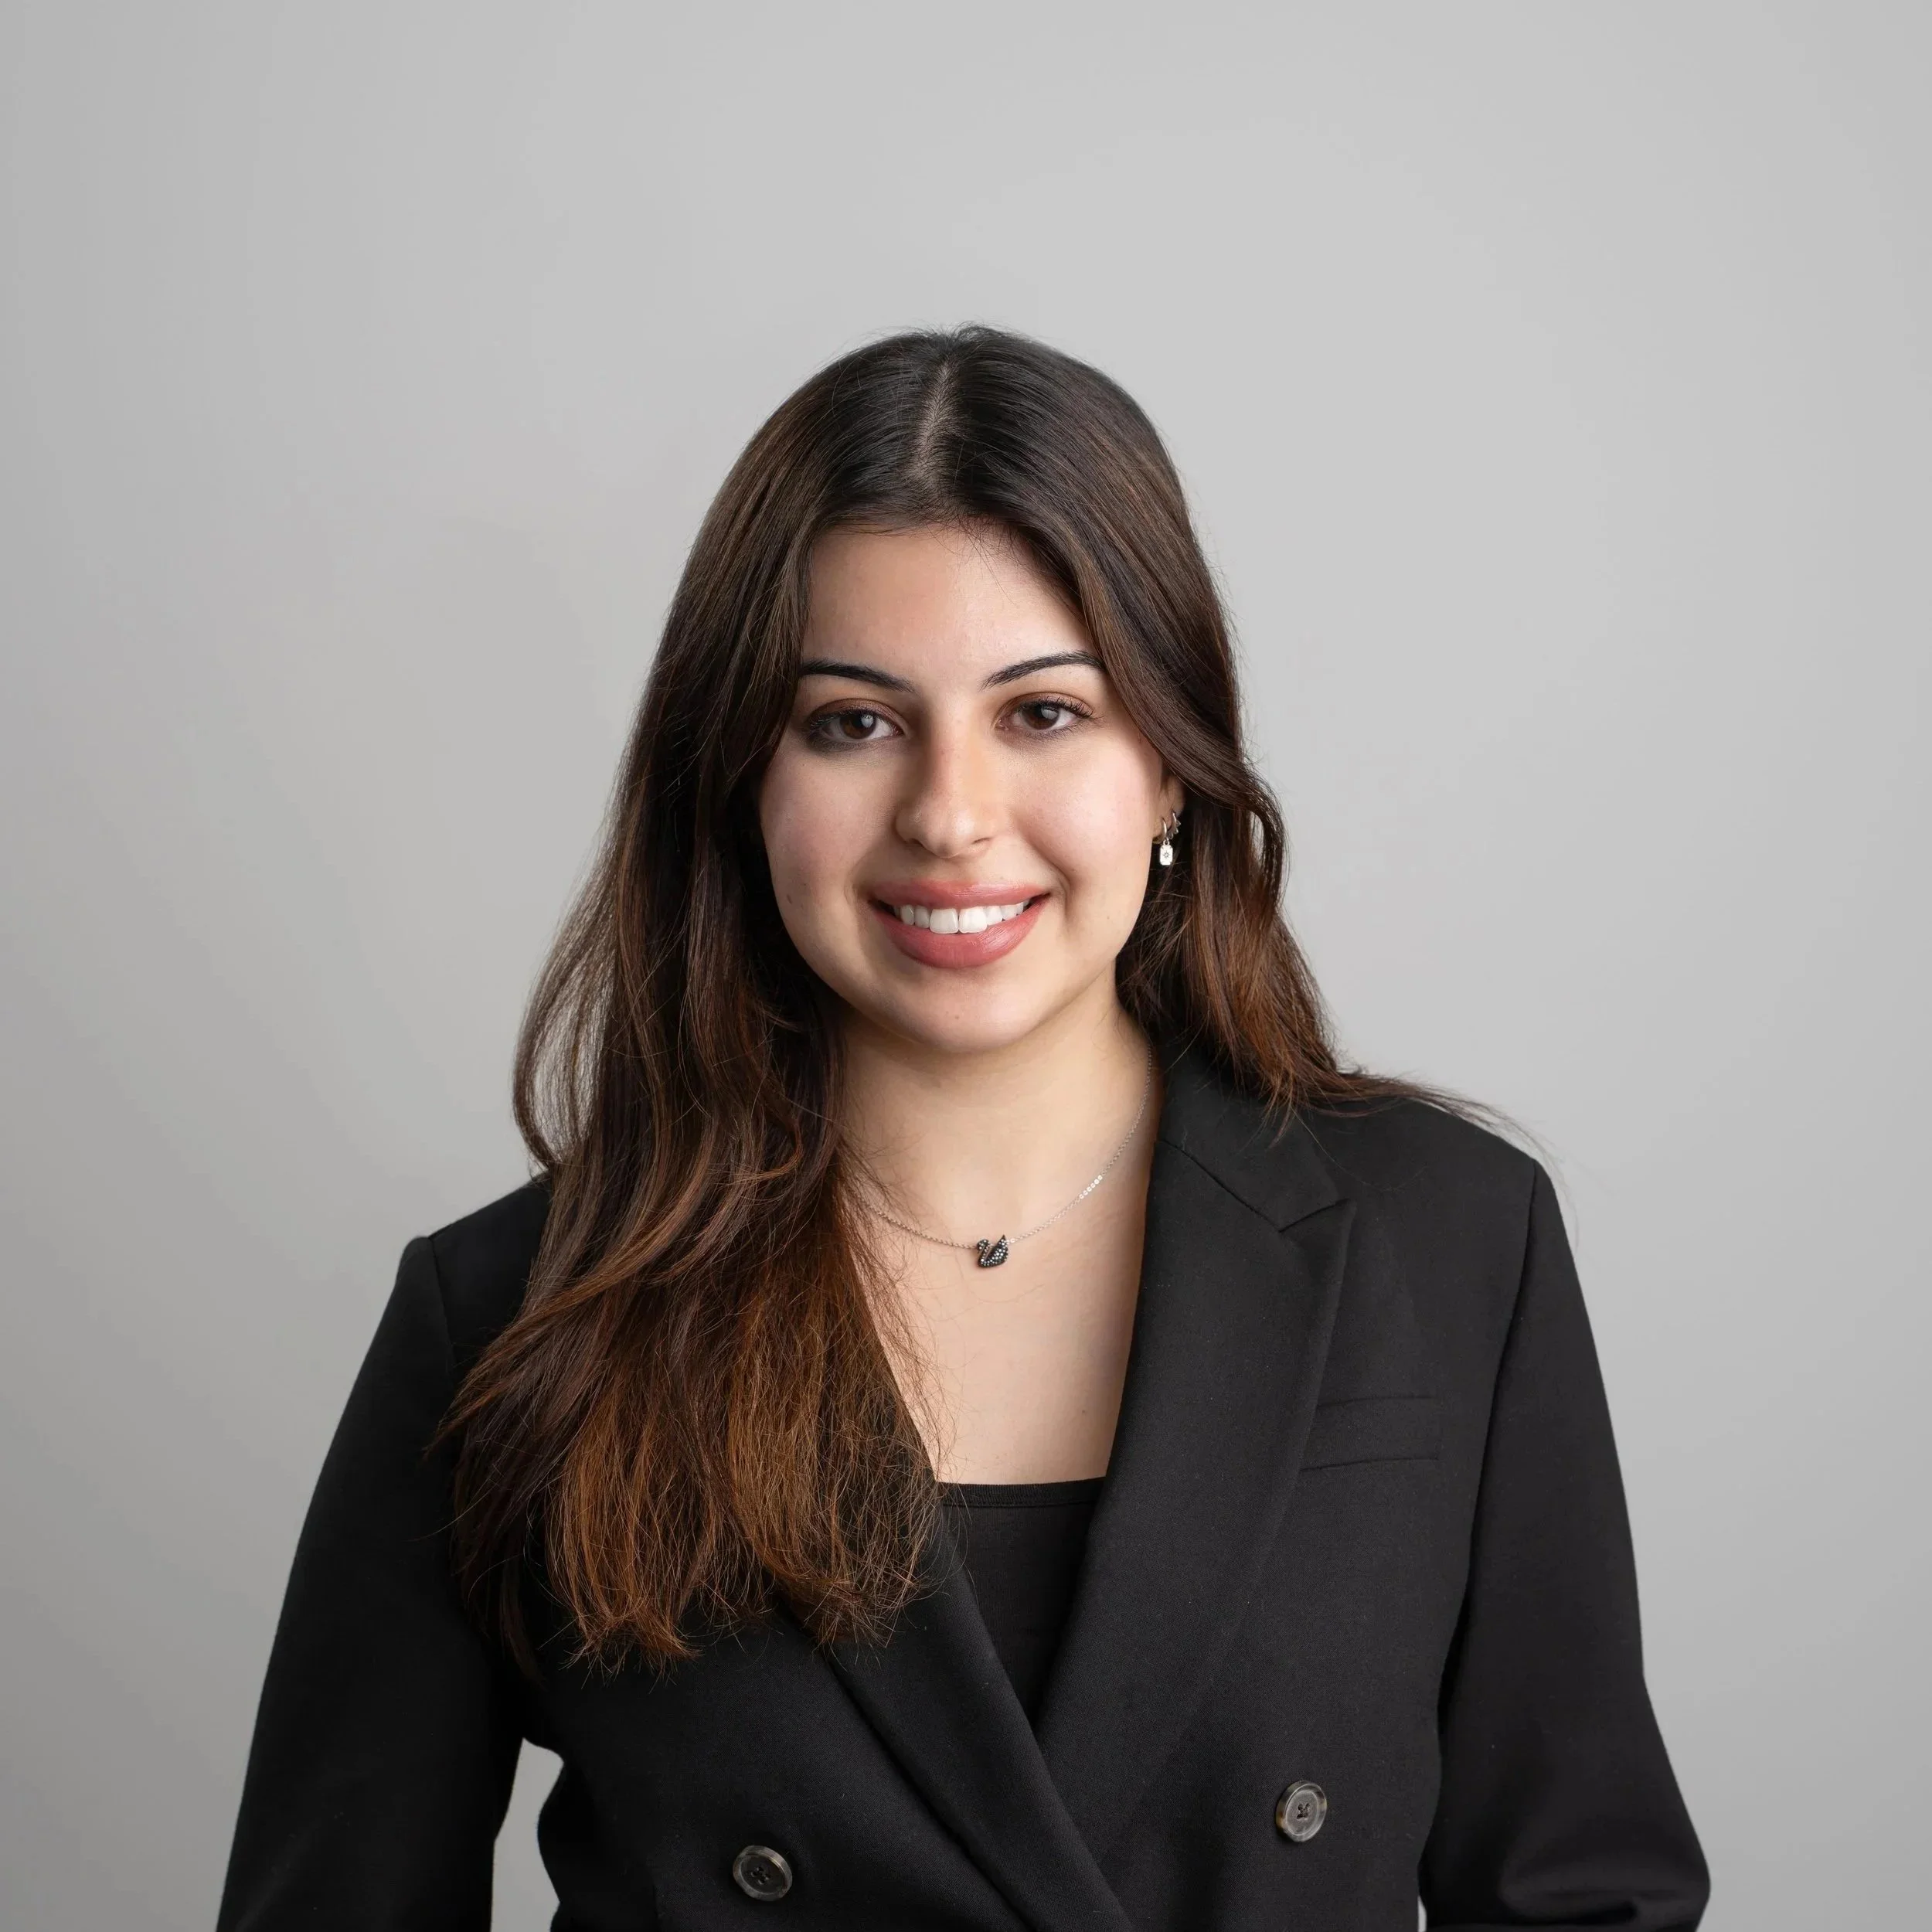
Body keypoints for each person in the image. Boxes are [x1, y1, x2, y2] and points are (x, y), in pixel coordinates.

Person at [217, 326, 1708, 1930]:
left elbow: (1578, 1898)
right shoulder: (509, 1318)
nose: (947, 813)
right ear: (738, 779)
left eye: (1043, 713)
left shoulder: (1451, 1246)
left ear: (1170, 771)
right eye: (851, 720)